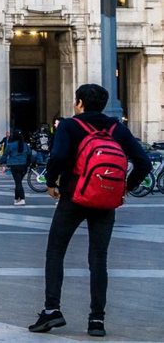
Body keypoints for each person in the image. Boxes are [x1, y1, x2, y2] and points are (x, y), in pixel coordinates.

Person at [29, 83, 154, 337]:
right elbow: (142, 163)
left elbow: (59, 156)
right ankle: (97, 320)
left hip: (73, 197)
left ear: (79, 103)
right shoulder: (117, 128)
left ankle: (52, 311)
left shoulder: (69, 125)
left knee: (56, 251)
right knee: (99, 260)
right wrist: (125, 188)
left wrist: (51, 182)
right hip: (105, 200)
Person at [2, 129, 33, 206]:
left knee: (18, 182)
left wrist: (2, 163)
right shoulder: (25, 145)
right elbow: (30, 154)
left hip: (14, 165)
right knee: (18, 182)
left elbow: (5, 155)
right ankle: (16, 198)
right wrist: (29, 164)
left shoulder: (10, 145)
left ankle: (22, 199)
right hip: (24, 166)